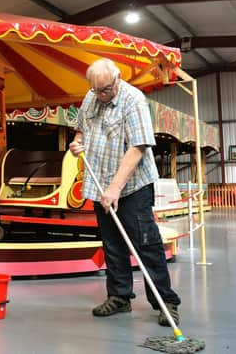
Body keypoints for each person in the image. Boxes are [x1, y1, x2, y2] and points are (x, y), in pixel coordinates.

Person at [69, 58, 181, 326]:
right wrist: (78, 142)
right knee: (113, 244)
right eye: (96, 90)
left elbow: (138, 148)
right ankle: (119, 297)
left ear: (117, 80)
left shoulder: (134, 100)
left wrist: (115, 188)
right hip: (100, 183)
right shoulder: (92, 96)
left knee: (146, 243)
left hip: (132, 186)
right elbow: (81, 129)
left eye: (106, 89)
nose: (101, 95)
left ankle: (165, 302)